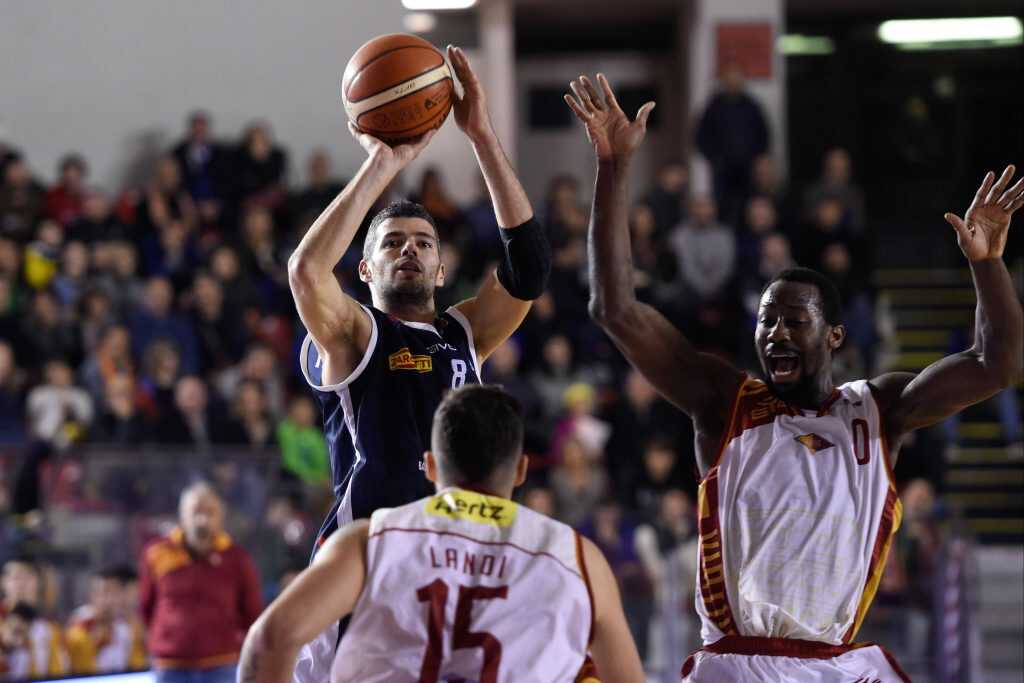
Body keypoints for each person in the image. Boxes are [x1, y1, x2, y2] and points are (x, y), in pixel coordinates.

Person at [566, 73, 1023, 681]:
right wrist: (613, 167)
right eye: (765, 320)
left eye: (794, 322)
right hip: (738, 663)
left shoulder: (878, 410)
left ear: (834, 335)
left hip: (835, 666)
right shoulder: (722, 400)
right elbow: (615, 310)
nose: (775, 334)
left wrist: (988, 266)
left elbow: (996, 364)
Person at [238, 385, 644, 683]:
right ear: (521, 470)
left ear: (430, 465)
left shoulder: (371, 540)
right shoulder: (577, 557)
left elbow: (270, 639)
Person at [139, 482, 262, 683]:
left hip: (222, 664)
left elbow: (251, 611)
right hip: (170, 665)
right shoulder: (157, 553)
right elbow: (146, 607)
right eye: (196, 510)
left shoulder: (238, 558)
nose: (202, 518)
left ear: (220, 516)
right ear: (182, 514)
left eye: (210, 511)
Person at [65, 566, 147, 674]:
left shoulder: (125, 630)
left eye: (114, 593)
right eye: (103, 593)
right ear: (92, 596)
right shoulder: (79, 631)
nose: (109, 600)